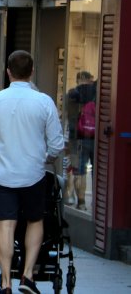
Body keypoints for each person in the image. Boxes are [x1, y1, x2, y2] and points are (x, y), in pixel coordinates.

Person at [0, 50, 63, 294]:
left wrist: (3, 153)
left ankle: (6, 283)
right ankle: (27, 276)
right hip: (33, 173)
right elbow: (56, 145)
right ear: (32, 72)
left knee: (6, 223)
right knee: (35, 220)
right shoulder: (44, 101)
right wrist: (43, 157)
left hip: (3, 173)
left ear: (8, 72)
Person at [66, 71, 96, 210]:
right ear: (89, 80)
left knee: (79, 170)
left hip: (77, 138)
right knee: (97, 171)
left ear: (78, 79)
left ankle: (81, 202)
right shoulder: (97, 94)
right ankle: (97, 202)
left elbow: (70, 118)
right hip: (96, 139)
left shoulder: (72, 94)